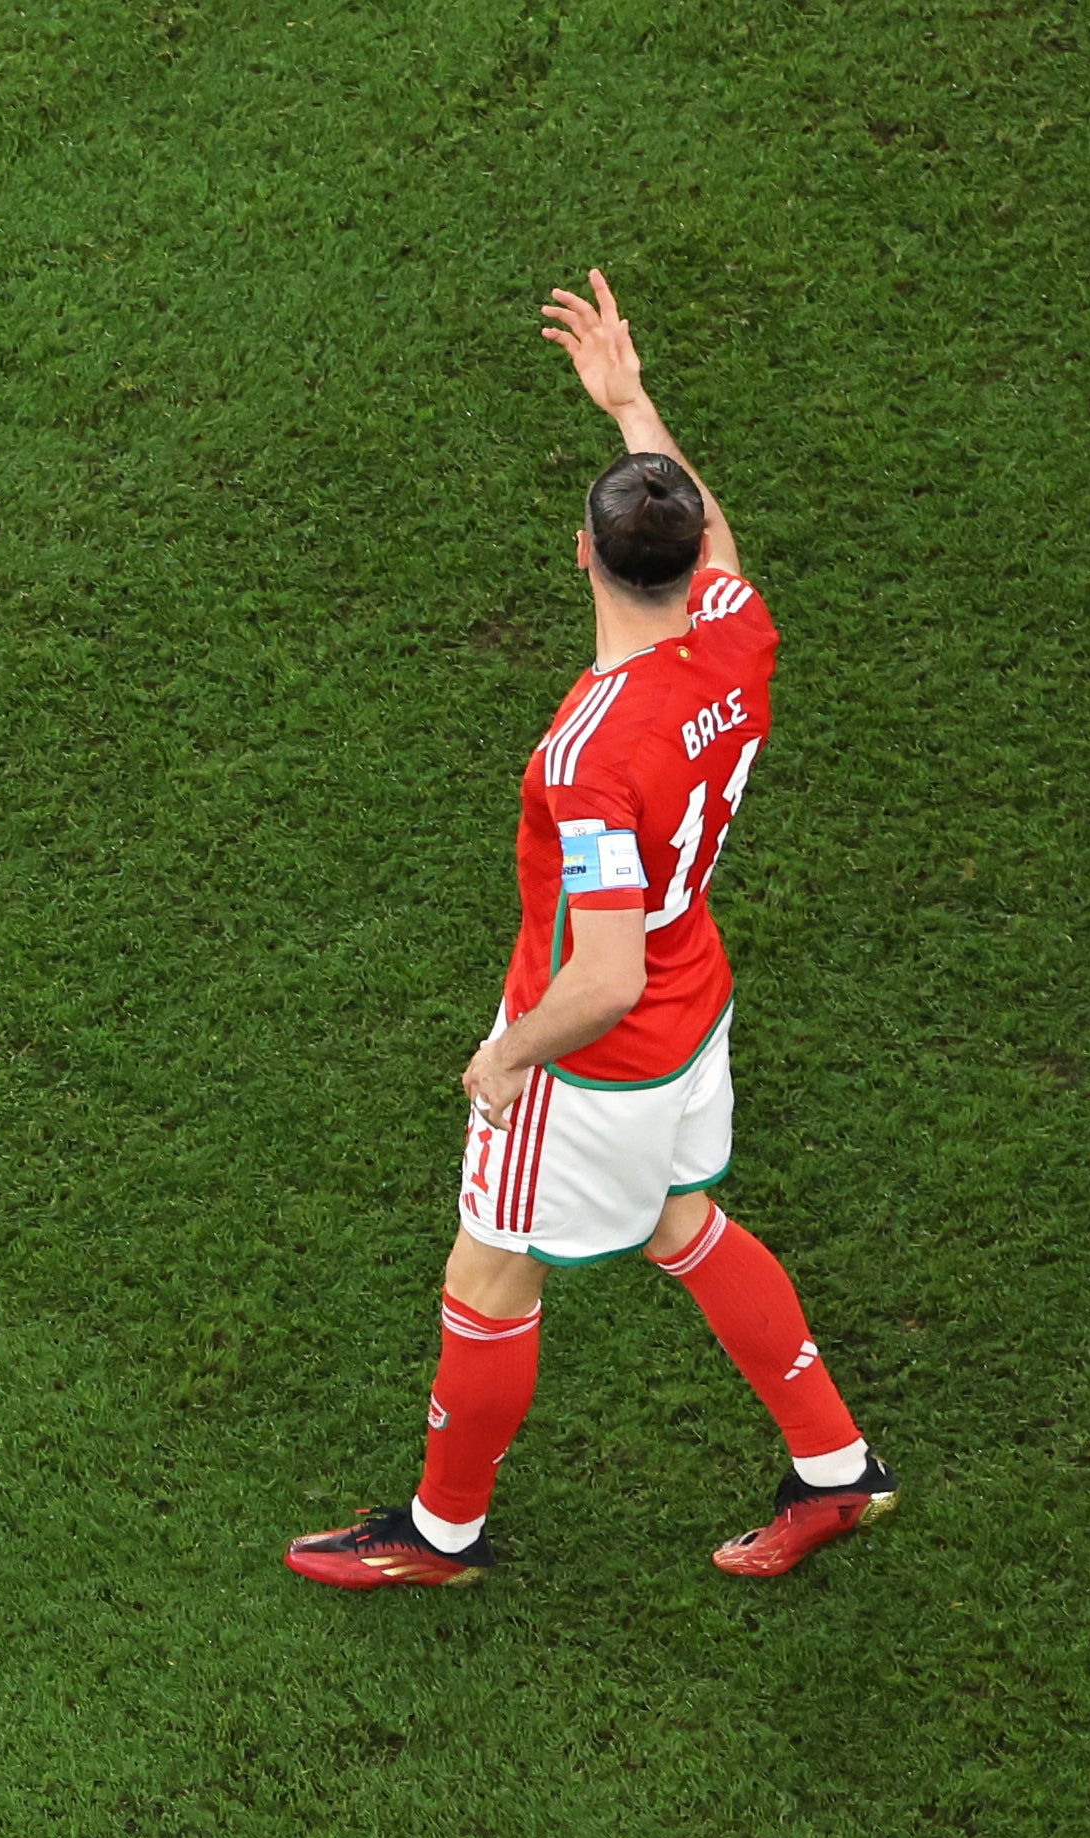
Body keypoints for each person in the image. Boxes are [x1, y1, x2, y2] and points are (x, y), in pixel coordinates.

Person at [288, 273, 894, 1590]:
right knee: (679, 1220)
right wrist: (630, 409)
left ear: (580, 554)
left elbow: (600, 966)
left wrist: (509, 1058)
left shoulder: (586, 752)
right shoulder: (732, 636)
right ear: (682, 561)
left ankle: (437, 1532)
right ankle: (835, 1467)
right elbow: (713, 540)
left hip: (598, 1052)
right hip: (694, 1009)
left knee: (488, 1269)